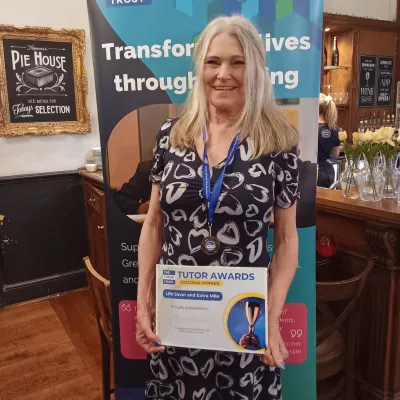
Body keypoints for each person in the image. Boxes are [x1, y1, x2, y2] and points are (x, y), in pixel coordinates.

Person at [136, 15, 299, 400]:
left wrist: (271, 321)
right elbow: (154, 223)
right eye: (213, 62)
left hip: (243, 324)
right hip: (179, 319)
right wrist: (144, 298)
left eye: (237, 62)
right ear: (200, 68)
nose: (223, 74)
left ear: (255, 68)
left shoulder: (279, 142)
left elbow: (288, 240)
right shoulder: (170, 136)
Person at [317, 94, 341, 188]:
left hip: (313, 171)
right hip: (329, 171)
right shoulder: (335, 129)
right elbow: (335, 153)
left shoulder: (309, 126)